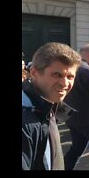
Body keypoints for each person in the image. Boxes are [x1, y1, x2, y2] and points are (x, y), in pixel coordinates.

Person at [22, 42, 81, 170]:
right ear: (33, 73)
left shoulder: (47, 105)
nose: (65, 83)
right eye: (57, 75)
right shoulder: (25, 121)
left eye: (70, 76)